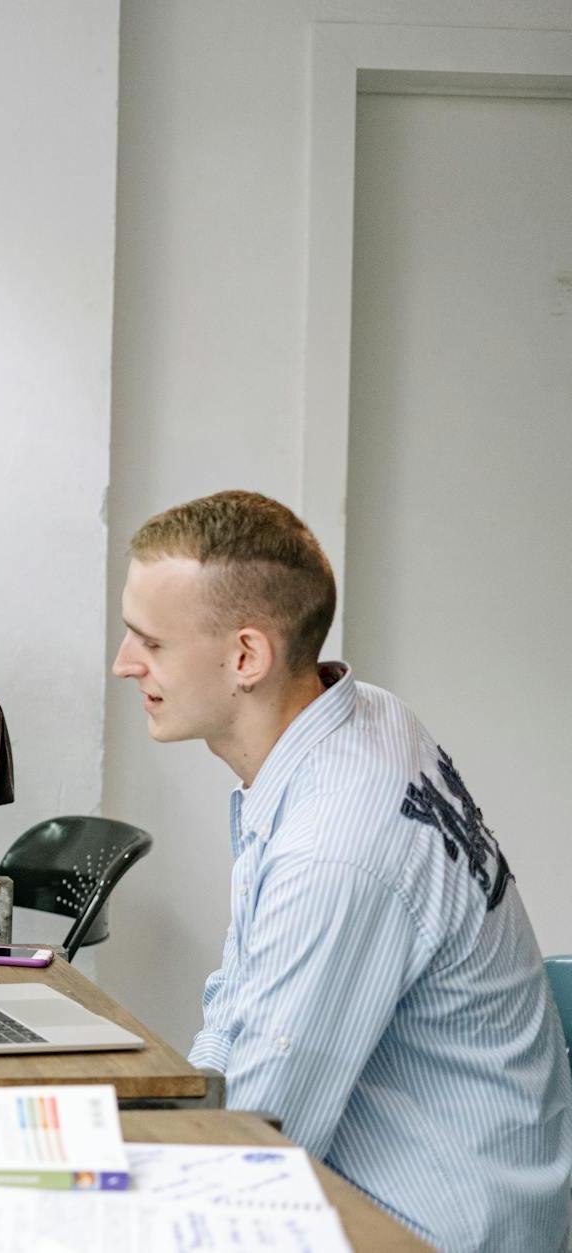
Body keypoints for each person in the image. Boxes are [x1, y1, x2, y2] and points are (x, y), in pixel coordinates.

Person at [113, 490, 572, 1252]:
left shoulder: (336, 847)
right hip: (443, 1182)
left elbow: (254, 1142)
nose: (125, 663)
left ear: (247, 657)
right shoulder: (362, 715)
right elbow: (243, 1011)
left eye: (150, 642)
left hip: (433, 1223)